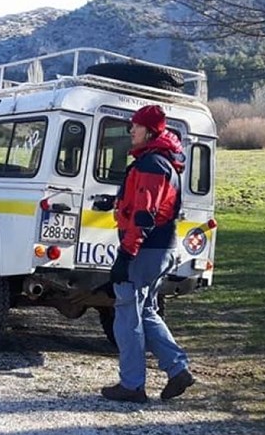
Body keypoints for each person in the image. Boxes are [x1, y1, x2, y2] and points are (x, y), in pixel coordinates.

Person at [100, 104, 195, 403]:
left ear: (150, 130)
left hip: (145, 249)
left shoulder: (152, 163)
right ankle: (177, 370)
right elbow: (144, 204)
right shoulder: (160, 161)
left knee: (126, 314)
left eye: (136, 126)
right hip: (159, 248)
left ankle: (132, 385)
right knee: (145, 311)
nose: (131, 130)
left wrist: (125, 256)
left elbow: (145, 215)